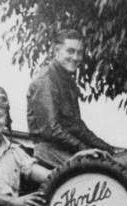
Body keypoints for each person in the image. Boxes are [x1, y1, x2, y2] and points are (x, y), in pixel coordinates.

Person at [27, 29, 119, 167]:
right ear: (57, 50)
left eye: (79, 52)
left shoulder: (67, 81)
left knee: (115, 162)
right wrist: (85, 150)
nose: (75, 57)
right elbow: (51, 130)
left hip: (65, 150)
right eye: (70, 51)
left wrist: (110, 149)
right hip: (49, 154)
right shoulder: (46, 80)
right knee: (98, 170)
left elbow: (78, 128)